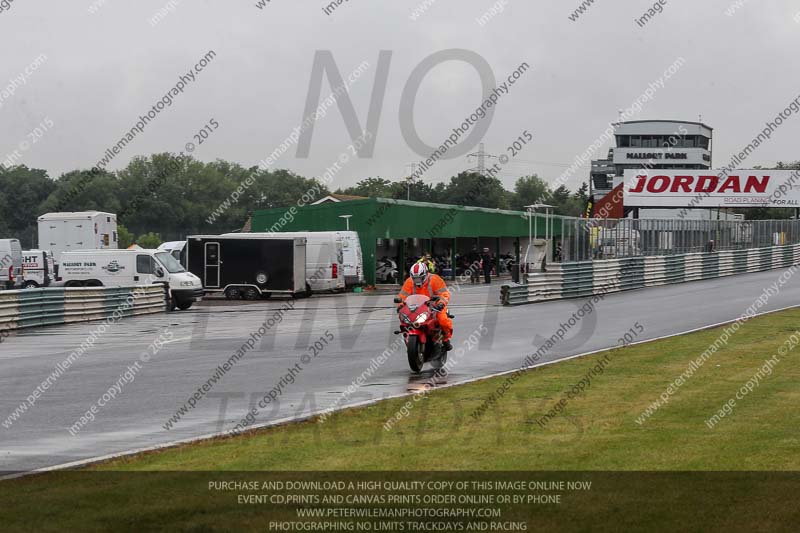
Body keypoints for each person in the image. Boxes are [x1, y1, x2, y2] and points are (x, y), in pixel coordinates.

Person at [397, 262, 453, 351]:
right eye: (415, 278)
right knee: (404, 320)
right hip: (416, 307)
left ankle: (446, 339)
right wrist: (400, 305)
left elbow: (444, 294)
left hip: (435, 306)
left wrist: (441, 303)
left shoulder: (435, 279)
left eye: (420, 278)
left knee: (443, 321)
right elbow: (402, 296)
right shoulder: (409, 282)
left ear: (426, 274)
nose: (417, 280)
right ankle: (408, 339)